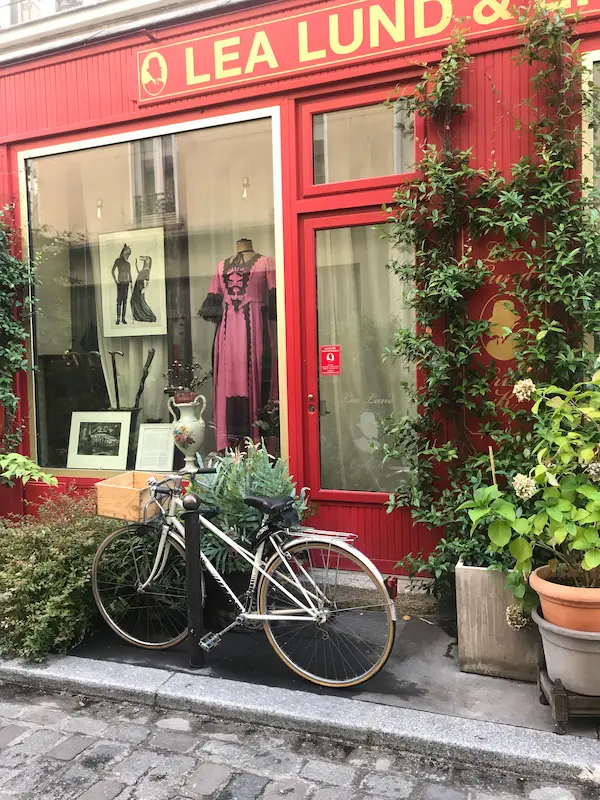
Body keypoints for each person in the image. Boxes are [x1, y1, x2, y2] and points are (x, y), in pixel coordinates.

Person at [131, 255, 157, 323]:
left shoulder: (147, 271)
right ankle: (138, 316)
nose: (145, 259)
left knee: (141, 302)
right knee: (133, 300)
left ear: (149, 261)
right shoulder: (143, 270)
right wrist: (136, 264)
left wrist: (144, 289)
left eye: (147, 259)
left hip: (140, 287)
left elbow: (148, 283)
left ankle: (149, 316)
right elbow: (138, 273)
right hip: (137, 285)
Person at [111, 244, 132, 326]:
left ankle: (123, 318)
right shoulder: (118, 260)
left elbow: (129, 274)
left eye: (128, 254)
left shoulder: (128, 264)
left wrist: (131, 283)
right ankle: (118, 318)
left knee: (125, 301)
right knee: (119, 301)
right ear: (123, 252)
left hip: (126, 283)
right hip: (120, 283)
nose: (127, 255)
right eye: (127, 253)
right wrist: (116, 281)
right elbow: (112, 271)